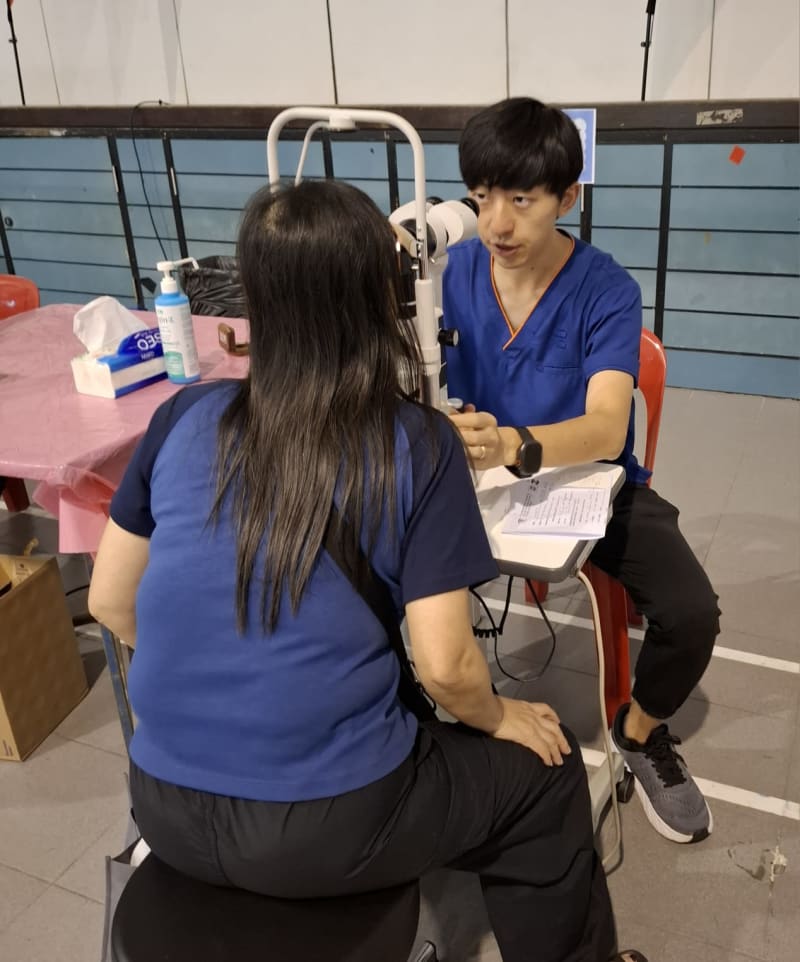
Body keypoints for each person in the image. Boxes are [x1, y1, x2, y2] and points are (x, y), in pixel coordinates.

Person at [89, 179, 646, 962]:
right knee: (544, 783)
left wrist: (222, 682)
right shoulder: (416, 442)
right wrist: (501, 719)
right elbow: (447, 666)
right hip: (325, 826)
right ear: (380, 298)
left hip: (162, 806)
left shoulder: (182, 418)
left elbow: (114, 602)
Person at [444, 97, 721, 845]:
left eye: (521, 200)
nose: (496, 223)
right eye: (481, 197)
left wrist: (511, 444)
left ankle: (638, 732)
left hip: (585, 484)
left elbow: (604, 426)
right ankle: (428, 724)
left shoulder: (606, 289)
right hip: (471, 480)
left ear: (568, 197)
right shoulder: (450, 267)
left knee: (692, 613)